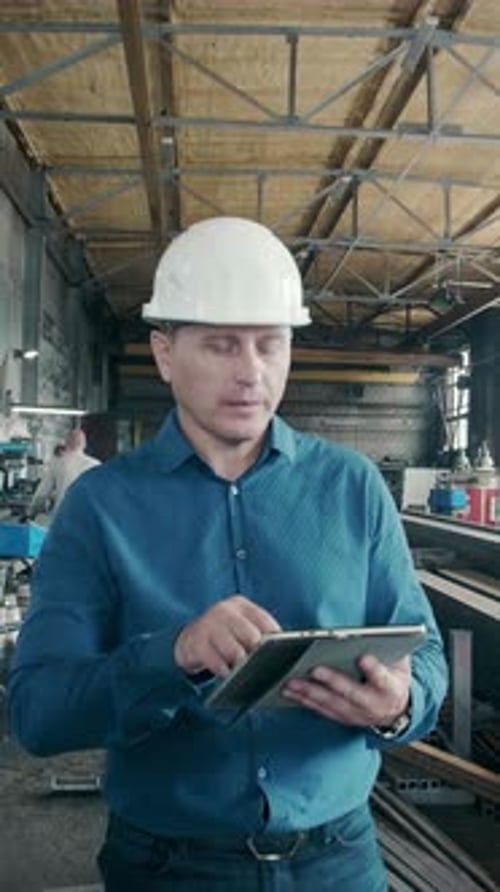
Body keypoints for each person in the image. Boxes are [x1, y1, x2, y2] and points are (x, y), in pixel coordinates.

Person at [8, 217, 448, 892]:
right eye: (221, 346)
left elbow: (425, 657)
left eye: (270, 346)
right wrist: (174, 653)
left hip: (340, 860)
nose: (251, 373)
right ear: (163, 353)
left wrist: (397, 703)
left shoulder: (351, 487)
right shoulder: (101, 509)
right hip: (170, 867)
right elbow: (39, 713)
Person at [27, 429, 100, 518]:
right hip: (86, 518)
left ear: (66, 443)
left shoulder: (57, 462)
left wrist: (31, 511)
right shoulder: (95, 465)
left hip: (62, 516)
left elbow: (43, 492)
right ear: (84, 444)